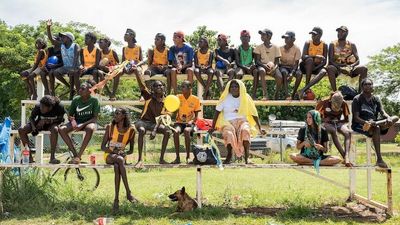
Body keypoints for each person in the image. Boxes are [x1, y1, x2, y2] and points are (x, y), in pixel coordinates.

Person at [208, 79, 266, 164]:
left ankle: (247, 157)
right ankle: (229, 156)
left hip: (242, 121)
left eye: (236, 86)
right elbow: (217, 113)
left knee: (245, 131)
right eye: (232, 87)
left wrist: (260, 128)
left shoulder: (246, 97)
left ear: (240, 88)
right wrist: (213, 127)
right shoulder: (225, 98)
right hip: (228, 122)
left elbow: (254, 113)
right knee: (229, 134)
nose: (233, 88)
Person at [351, 78, 399, 168]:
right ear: (362, 86)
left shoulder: (376, 98)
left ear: (372, 86)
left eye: (370, 84)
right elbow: (356, 118)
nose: (368, 86)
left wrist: (388, 118)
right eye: (366, 84)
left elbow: (382, 112)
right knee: (376, 128)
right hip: (360, 124)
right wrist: (367, 122)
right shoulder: (357, 99)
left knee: (395, 118)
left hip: (375, 122)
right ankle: (379, 159)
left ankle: (379, 123)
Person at [101, 107, 138, 212]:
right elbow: (103, 147)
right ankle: (128, 193)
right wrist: (115, 152)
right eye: (115, 113)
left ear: (124, 116)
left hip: (121, 156)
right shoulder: (110, 127)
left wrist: (124, 152)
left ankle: (116, 200)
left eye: (117, 113)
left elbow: (130, 150)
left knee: (118, 165)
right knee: (120, 161)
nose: (115, 115)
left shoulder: (131, 130)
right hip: (109, 155)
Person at [134, 70, 170, 167]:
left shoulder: (167, 101)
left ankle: (161, 159)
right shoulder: (148, 96)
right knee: (141, 130)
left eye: (161, 85)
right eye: (156, 86)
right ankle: (140, 159)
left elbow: (163, 118)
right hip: (143, 122)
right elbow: (141, 85)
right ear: (153, 89)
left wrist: (154, 130)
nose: (159, 87)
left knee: (167, 131)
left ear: (164, 87)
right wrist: (136, 73)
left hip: (155, 124)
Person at [59, 82, 100, 164]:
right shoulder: (76, 100)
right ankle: (75, 154)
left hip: (89, 122)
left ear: (89, 90)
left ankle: (79, 156)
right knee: (61, 129)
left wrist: (82, 125)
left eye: (83, 89)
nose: (80, 90)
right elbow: (70, 115)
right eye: (80, 88)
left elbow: (95, 118)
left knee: (90, 128)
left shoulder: (94, 100)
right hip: (77, 122)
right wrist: (72, 120)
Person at [18, 95, 65, 163]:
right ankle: (29, 158)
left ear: (50, 107)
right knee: (21, 130)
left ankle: (52, 158)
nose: (41, 108)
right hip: (39, 124)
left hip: (53, 124)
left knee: (55, 129)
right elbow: (31, 118)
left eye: (43, 107)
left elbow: (60, 119)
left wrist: (48, 120)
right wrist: (34, 127)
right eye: (40, 106)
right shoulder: (38, 106)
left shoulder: (59, 106)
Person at [316, 91, 352, 166]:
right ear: (331, 100)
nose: (336, 109)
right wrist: (324, 120)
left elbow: (346, 119)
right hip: (326, 123)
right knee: (333, 130)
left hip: (338, 122)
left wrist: (338, 121)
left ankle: (347, 155)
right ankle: (344, 157)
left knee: (348, 132)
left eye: (338, 107)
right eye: (334, 107)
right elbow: (315, 118)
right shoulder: (323, 102)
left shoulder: (344, 103)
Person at [327, 26, 367, 92]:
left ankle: (360, 93)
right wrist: (341, 68)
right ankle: (335, 92)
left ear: (346, 33)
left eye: (342, 32)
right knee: (330, 68)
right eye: (338, 32)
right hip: (337, 68)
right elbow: (331, 60)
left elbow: (358, 60)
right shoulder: (332, 44)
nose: (339, 33)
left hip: (349, 68)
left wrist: (351, 66)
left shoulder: (352, 45)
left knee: (364, 69)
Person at [172, 81, 201, 164]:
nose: (182, 88)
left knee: (187, 131)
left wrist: (191, 121)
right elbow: (173, 111)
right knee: (176, 131)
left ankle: (188, 157)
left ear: (190, 89)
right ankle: (177, 157)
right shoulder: (177, 97)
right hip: (179, 122)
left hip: (190, 123)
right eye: (181, 86)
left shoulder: (195, 99)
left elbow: (196, 116)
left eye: (184, 87)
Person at [297, 27, 328, 99]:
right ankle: (306, 87)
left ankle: (304, 89)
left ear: (320, 35)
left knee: (323, 71)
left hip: (317, 67)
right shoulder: (308, 42)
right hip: (305, 66)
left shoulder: (324, 45)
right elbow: (303, 56)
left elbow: (324, 62)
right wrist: (316, 56)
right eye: (312, 34)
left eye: (315, 34)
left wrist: (315, 68)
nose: (312, 36)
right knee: (310, 60)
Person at [50, 27, 80, 100]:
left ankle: (78, 93)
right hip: (66, 67)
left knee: (73, 74)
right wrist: (48, 27)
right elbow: (51, 40)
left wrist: (73, 69)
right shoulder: (62, 45)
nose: (62, 38)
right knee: (55, 72)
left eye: (64, 37)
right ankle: (70, 88)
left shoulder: (75, 45)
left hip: (75, 66)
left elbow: (76, 58)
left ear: (69, 38)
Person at [254, 28, 283, 100]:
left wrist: (274, 69)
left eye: (263, 34)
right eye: (261, 35)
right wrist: (265, 66)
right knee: (261, 71)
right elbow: (257, 61)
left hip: (272, 66)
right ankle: (265, 95)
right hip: (262, 65)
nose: (261, 36)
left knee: (279, 77)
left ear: (269, 36)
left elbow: (277, 62)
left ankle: (276, 93)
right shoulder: (258, 47)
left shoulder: (276, 47)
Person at [234, 30, 257, 98]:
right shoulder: (237, 49)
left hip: (250, 67)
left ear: (249, 38)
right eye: (243, 36)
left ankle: (254, 94)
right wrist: (245, 68)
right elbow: (238, 63)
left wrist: (252, 66)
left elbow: (256, 62)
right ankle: (237, 95)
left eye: (246, 36)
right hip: (241, 67)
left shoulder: (253, 49)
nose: (244, 38)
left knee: (256, 72)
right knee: (238, 74)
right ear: (240, 38)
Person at [279, 31, 302, 100]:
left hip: (293, 67)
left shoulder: (297, 49)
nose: (285, 40)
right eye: (285, 38)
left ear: (293, 39)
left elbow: (296, 64)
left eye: (287, 38)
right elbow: (277, 61)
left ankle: (293, 94)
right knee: (284, 72)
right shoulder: (280, 48)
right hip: (283, 67)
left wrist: (292, 73)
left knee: (299, 74)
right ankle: (287, 95)